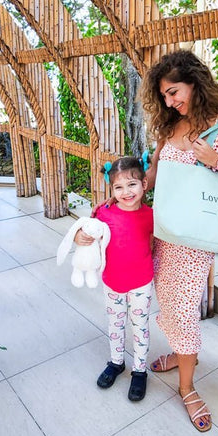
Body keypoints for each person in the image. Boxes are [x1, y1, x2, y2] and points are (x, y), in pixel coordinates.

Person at [141, 49, 218, 432]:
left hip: (194, 240)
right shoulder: (170, 128)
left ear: (195, 84)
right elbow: (158, 171)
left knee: (183, 308)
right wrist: (131, 190)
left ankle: (188, 388)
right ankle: (182, 354)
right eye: (164, 96)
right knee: (170, 299)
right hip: (165, 230)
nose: (169, 101)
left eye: (174, 92)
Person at [74, 155, 154, 401]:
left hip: (141, 282)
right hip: (112, 282)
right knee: (115, 324)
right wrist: (78, 235)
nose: (126, 192)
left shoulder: (152, 216)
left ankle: (139, 371)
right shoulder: (104, 212)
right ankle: (117, 362)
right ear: (111, 190)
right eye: (118, 187)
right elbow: (87, 231)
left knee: (140, 327)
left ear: (144, 185)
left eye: (132, 184)